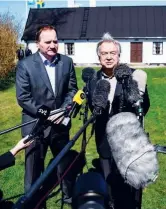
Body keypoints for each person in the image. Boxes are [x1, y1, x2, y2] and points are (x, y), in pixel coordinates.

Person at [16, 25, 78, 205]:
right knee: (34, 170)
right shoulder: (25, 65)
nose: (52, 45)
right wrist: (46, 113)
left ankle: (68, 196)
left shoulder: (66, 62)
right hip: (35, 127)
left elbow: (72, 89)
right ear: (38, 44)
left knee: (64, 165)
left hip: (60, 125)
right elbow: (23, 97)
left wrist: (65, 109)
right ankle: (33, 202)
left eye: (55, 41)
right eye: (48, 42)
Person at [87, 33, 150, 209]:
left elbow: (144, 107)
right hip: (104, 141)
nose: (108, 57)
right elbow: (93, 109)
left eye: (112, 53)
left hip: (128, 142)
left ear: (119, 55)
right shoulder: (93, 79)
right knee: (109, 183)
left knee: (130, 186)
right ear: (98, 56)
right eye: (104, 53)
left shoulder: (132, 76)